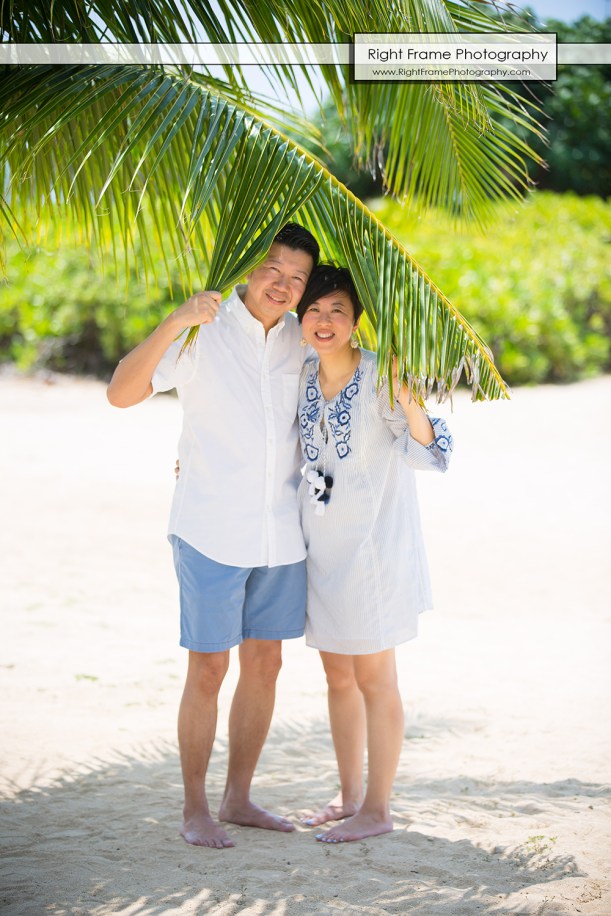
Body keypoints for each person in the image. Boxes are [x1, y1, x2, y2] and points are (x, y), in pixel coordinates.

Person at [107, 223, 319, 849]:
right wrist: (174, 320)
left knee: (267, 663)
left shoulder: (302, 342)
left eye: (296, 278)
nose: (281, 285)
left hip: (282, 533)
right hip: (209, 529)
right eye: (273, 269)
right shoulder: (204, 327)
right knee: (207, 668)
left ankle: (239, 797)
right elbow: (122, 394)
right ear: (251, 267)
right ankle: (195, 808)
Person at [295, 265, 453, 843]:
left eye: (336, 309)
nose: (324, 320)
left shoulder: (381, 377)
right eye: (312, 310)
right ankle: (350, 794)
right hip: (321, 551)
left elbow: (428, 456)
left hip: (374, 556)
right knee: (337, 676)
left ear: (357, 319)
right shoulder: (303, 374)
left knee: (376, 680)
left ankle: (378, 809)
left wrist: (410, 400)